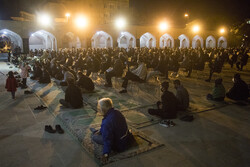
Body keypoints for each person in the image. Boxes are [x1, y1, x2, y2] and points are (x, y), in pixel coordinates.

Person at [92, 98, 134, 163]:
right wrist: (101, 131)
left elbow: (107, 139)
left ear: (103, 108)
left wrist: (106, 153)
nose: (98, 110)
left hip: (118, 145)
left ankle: (95, 132)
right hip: (126, 139)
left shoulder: (107, 122)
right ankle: (99, 131)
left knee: (94, 137)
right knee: (103, 130)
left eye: (99, 108)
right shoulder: (117, 112)